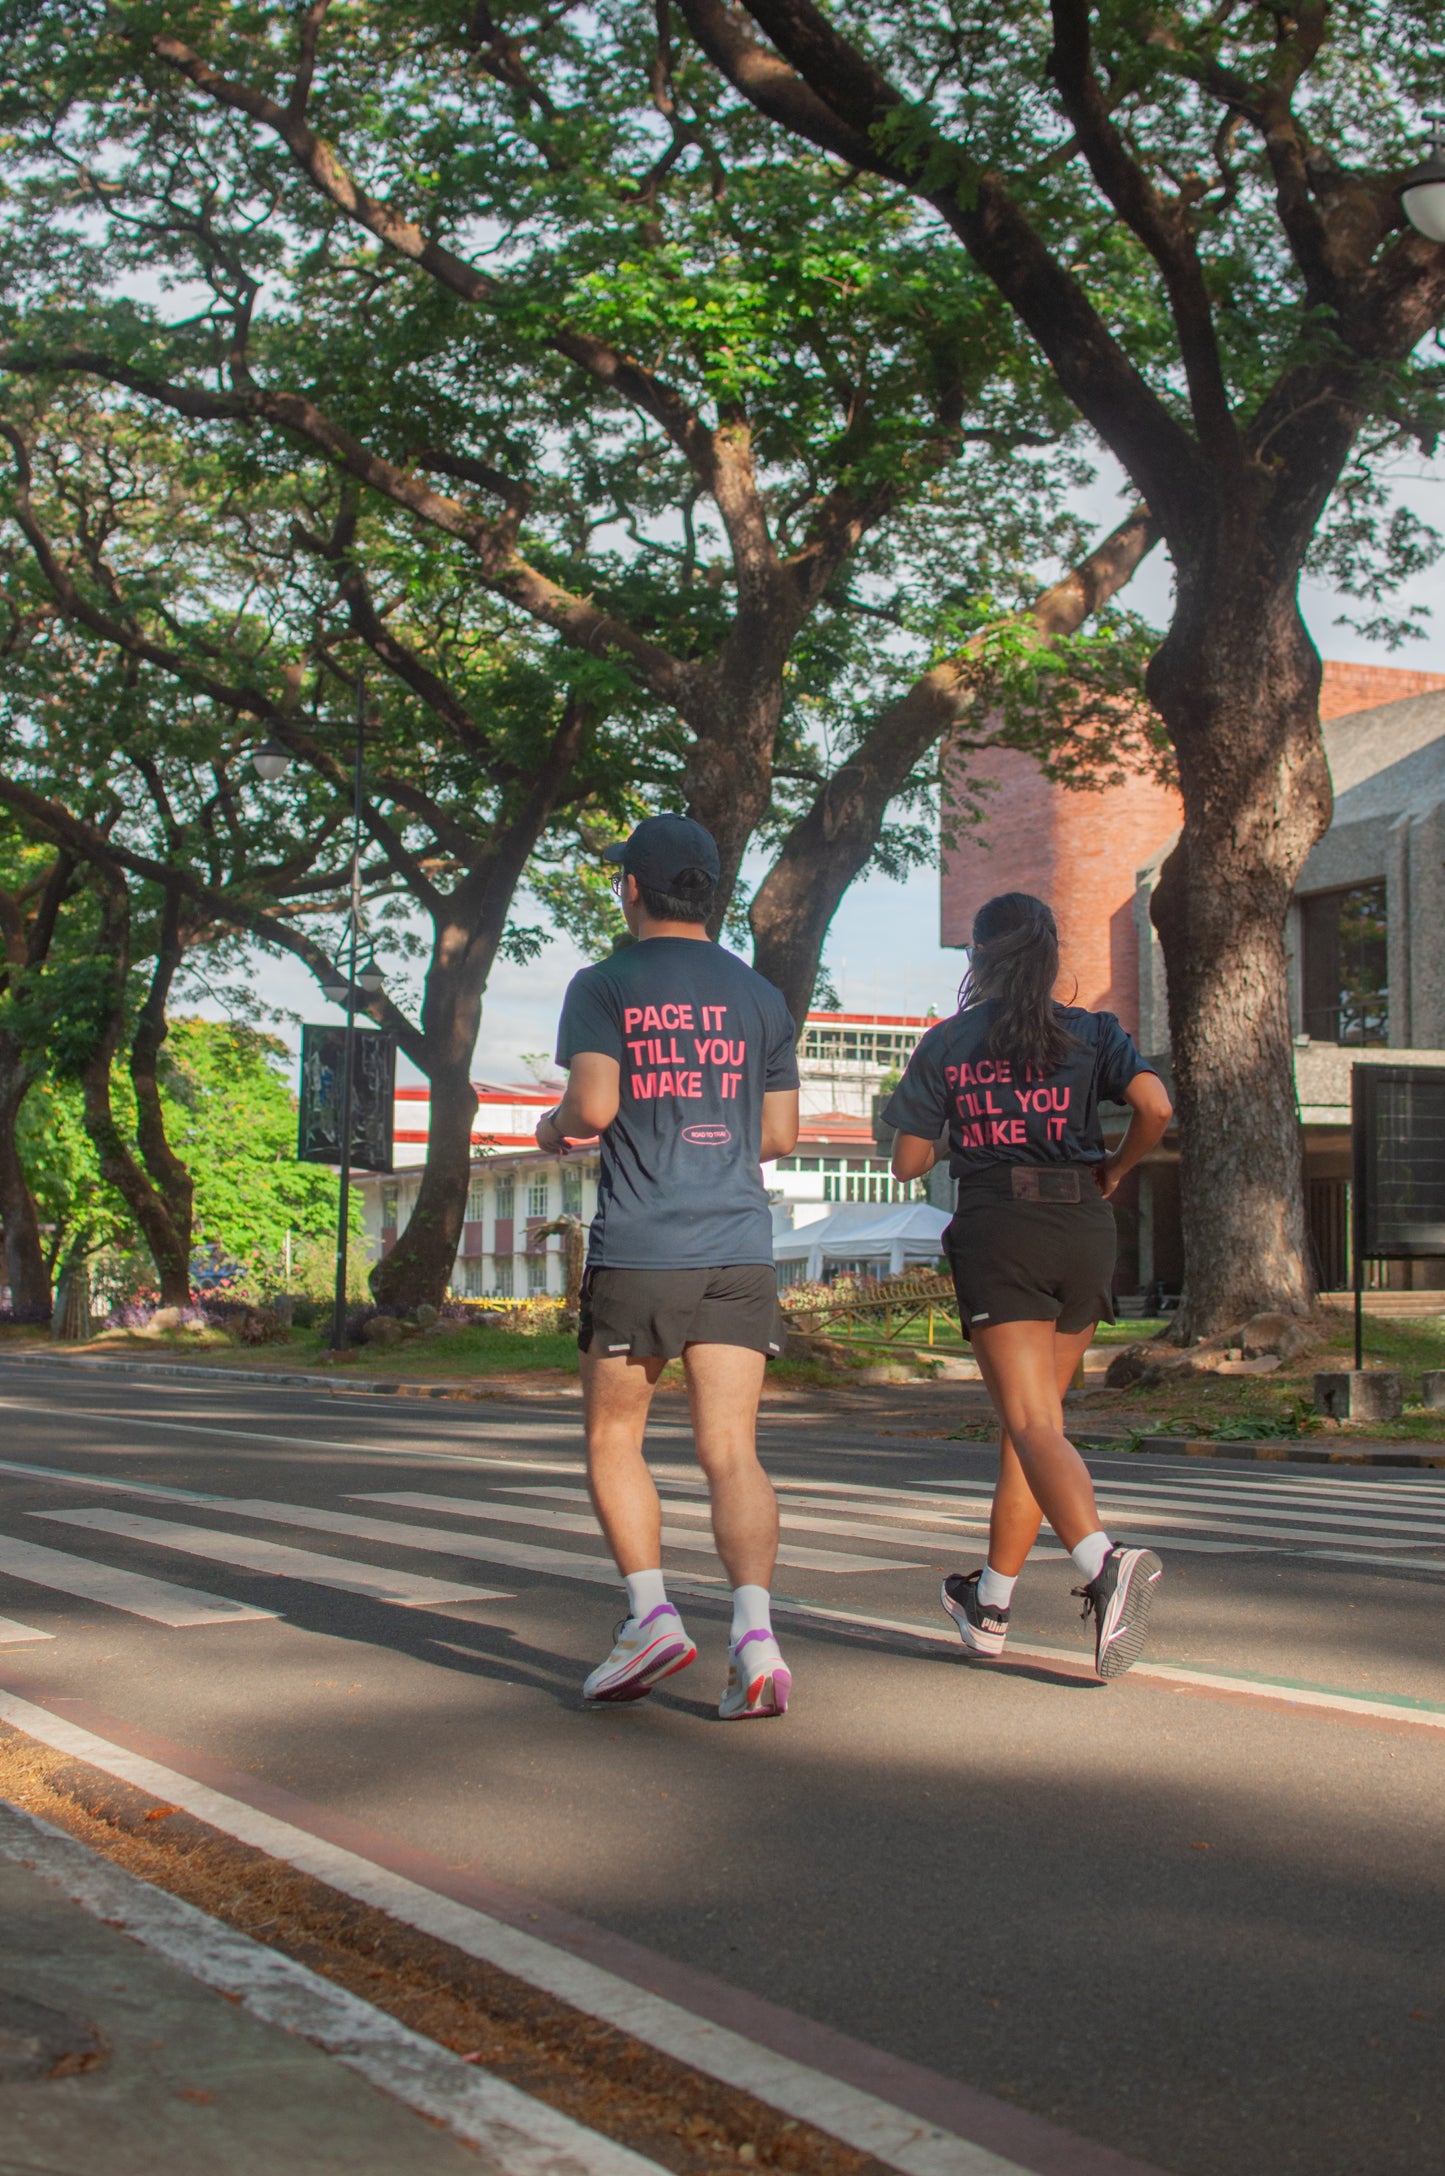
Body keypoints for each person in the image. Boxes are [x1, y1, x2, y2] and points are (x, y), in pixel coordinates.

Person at [538, 814, 801, 1718]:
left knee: (616, 1439)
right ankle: (758, 1640)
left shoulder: (603, 983)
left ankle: (651, 1616)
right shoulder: (761, 996)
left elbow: (594, 1107)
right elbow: (777, 1135)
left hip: (643, 1246)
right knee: (731, 1450)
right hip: (738, 1247)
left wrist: (551, 1127)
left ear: (632, 889)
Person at [884, 892, 1174, 1681]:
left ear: (976, 958)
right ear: (1048, 956)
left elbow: (907, 1162)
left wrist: (968, 1133)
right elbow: (1154, 1106)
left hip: (999, 1229)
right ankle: (991, 1601)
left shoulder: (948, 1042)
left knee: (1030, 1424)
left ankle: (1103, 1563)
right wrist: (1111, 1169)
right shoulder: (1094, 1032)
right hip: (1082, 1227)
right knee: (1036, 1426)